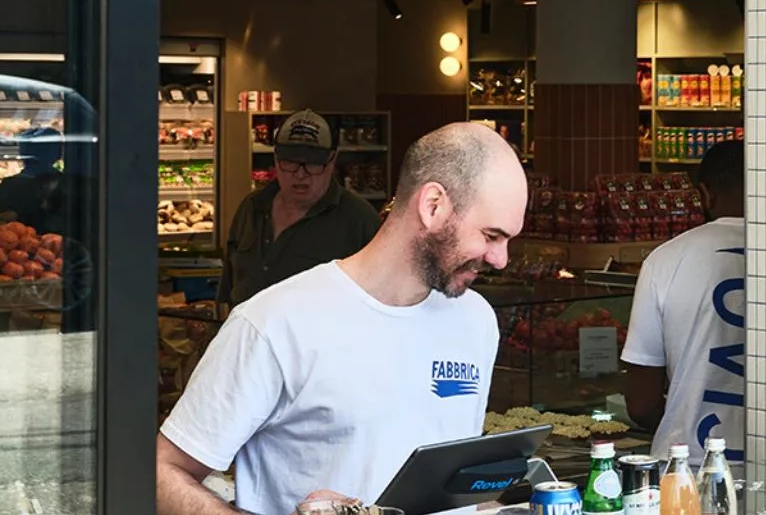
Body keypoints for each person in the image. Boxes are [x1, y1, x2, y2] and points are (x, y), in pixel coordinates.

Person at [155, 123, 528, 515]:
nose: (500, 259)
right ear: (432, 205)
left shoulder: (476, 320)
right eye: (491, 235)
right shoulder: (274, 323)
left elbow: (453, 488)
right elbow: (163, 473)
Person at [622, 139, 745, 464]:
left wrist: (683, 415)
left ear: (705, 194)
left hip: (685, 463)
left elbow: (642, 404)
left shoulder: (665, 260)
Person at [223, 109, 382, 310]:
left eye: (312, 164)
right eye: (290, 162)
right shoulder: (251, 207)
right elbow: (227, 287)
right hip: (246, 339)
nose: (300, 174)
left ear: (332, 161)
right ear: (276, 159)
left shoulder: (360, 220)